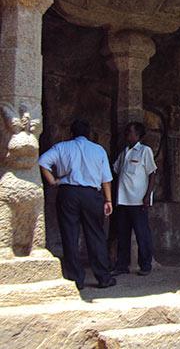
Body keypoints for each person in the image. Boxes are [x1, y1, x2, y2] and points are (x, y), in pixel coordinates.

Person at [39, 119, 116, 290]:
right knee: (96, 235)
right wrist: (108, 200)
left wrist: (53, 181)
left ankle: (76, 279)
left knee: (70, 235)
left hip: (68, 193)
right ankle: (103, 277)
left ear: (71, 133)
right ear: (89, 134)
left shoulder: (62, 147)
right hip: (91, 195)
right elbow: (106, 179)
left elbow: (43, 161)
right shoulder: (98, 150)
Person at [111, 122, 157, 276]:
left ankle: (145, 265)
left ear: (138, 136)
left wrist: (147, 196)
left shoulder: (145, 151)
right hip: (123, 200)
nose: (127, 135)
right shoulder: (124, 152)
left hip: (138, 200)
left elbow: (152, 174)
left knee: (142, 234)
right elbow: (116, 169)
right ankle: (122, 265)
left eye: (130, 132)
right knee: (122, 234)